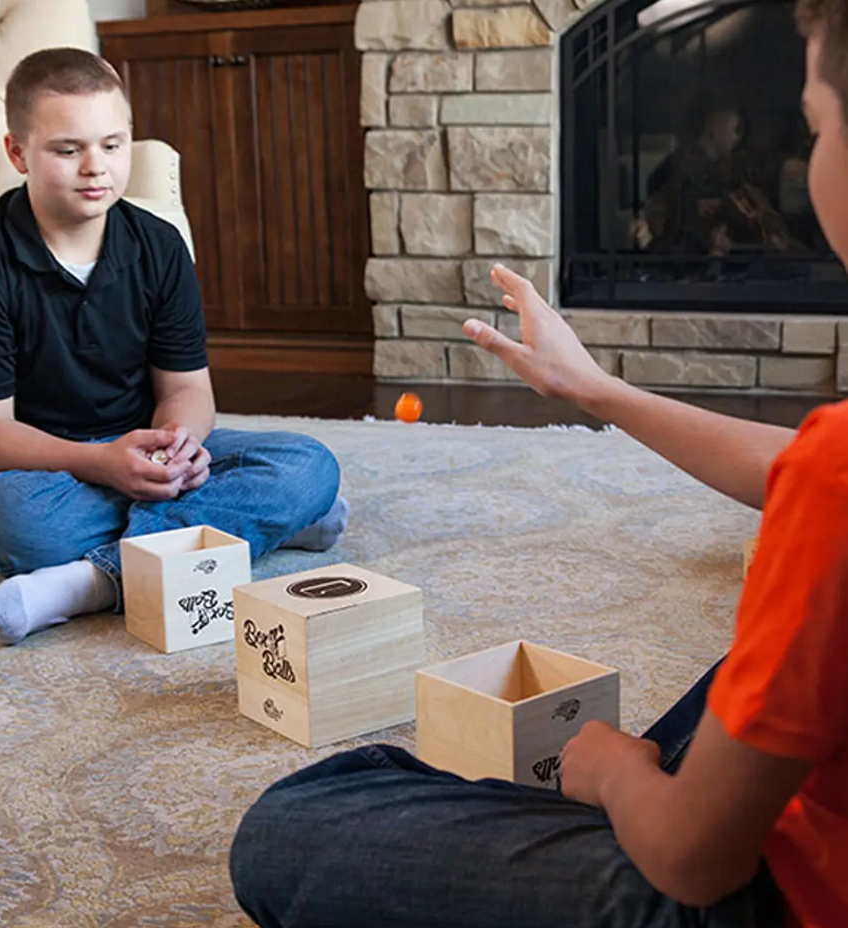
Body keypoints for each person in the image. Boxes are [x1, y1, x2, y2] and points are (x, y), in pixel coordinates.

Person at [228, 1, 847, 926]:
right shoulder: (829, 476)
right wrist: (596, 389)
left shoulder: (833, 484)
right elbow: (805, 471)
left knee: (295, 820)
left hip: (764, 899)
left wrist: (614, 770)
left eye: (815, 126)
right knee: (757, 666)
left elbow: (694, 861)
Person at [0, 48, 348, 646]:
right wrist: (103, 463)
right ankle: (238, 530)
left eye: (112, 144)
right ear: (18, 153)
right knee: (9, 521)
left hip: (145, 445)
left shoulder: (159, 246)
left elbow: (186, 388)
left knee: (309, 465)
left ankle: (93, 582)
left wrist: (179, 445)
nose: (95, 167)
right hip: (37, 467)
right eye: (68, 150)